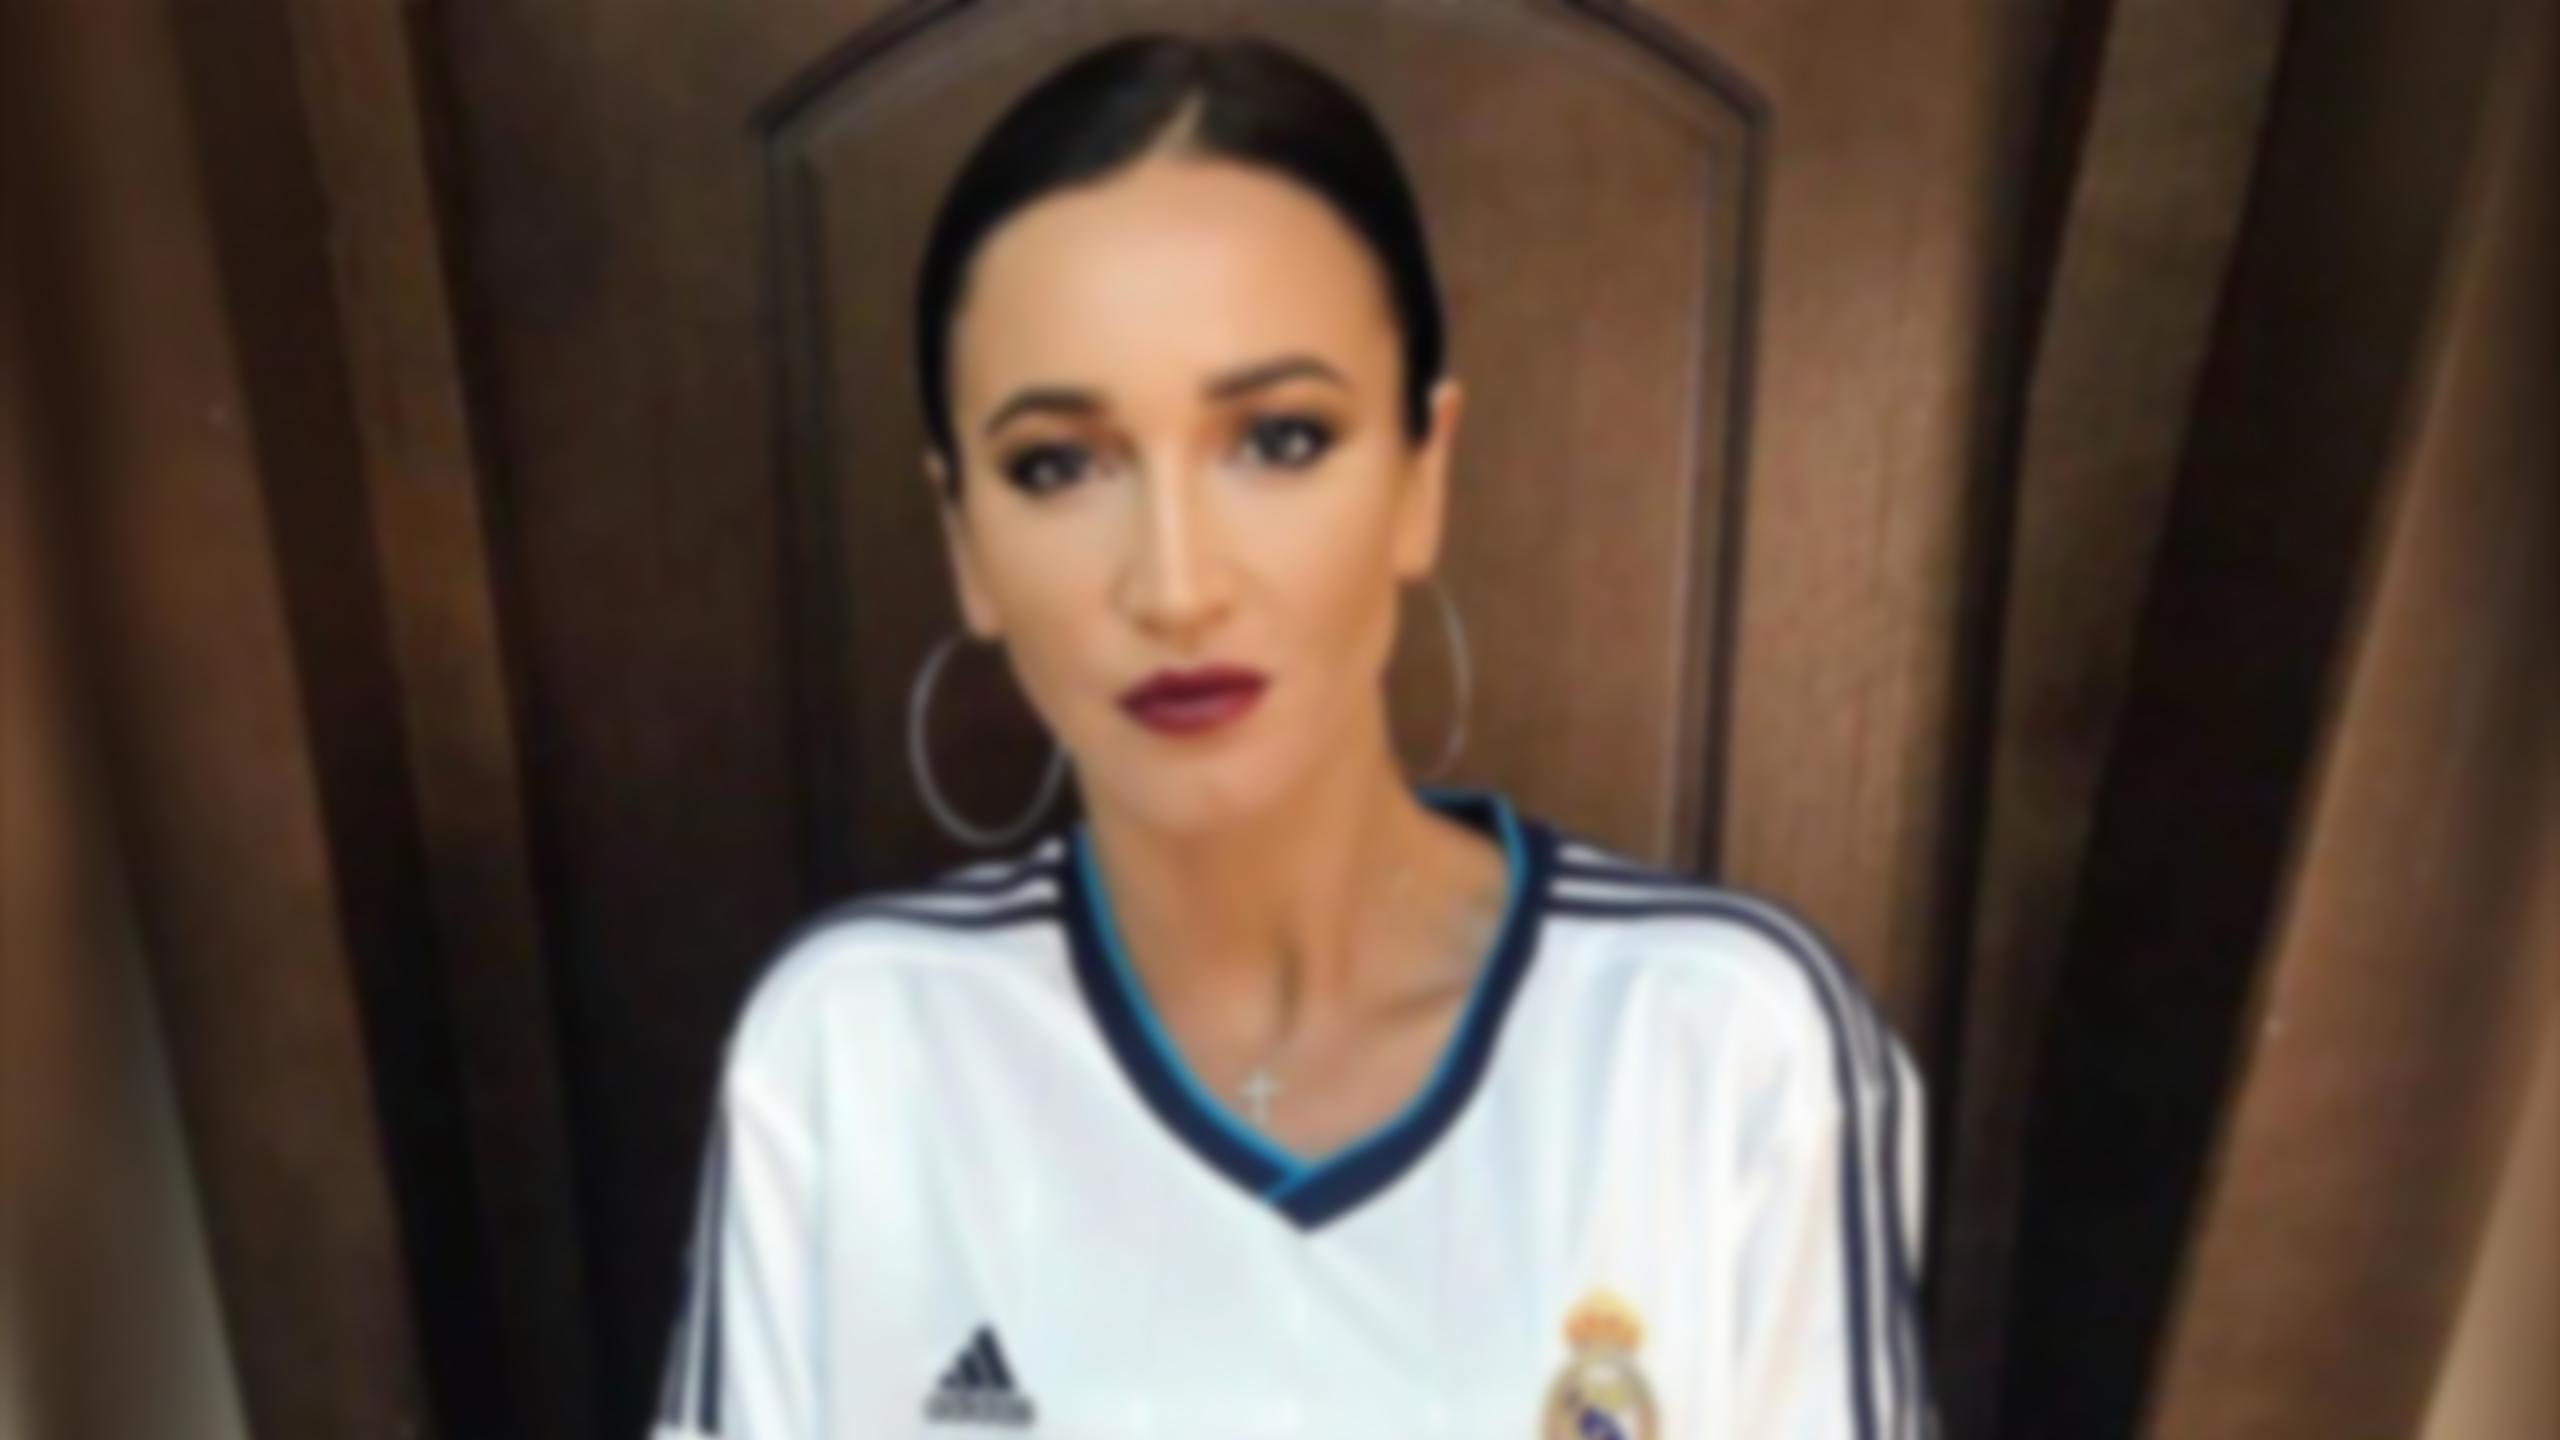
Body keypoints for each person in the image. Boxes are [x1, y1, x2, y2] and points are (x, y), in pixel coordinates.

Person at [653, 30, 1930, 1440]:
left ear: (1421, 474)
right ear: (966, 540)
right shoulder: (852, 1050)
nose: (1175, 584)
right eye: (1058, 464)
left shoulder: (1718, 1041)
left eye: (1280, 439)